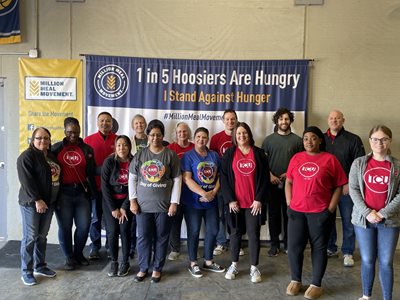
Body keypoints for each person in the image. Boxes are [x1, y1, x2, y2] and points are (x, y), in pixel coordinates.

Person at [285, 126, 347, 300]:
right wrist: (289, 203)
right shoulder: (296, 158)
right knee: (294, 247)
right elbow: (289, 181)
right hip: (297, 212)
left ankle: (316, 284)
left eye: (313, 138)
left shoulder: (330, 159)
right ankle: (295, 280)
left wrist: (330, 209)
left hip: (319, 212)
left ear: (320, 140)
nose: (309, 141)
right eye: (305, 138)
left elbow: (339, 185)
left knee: (318, 248)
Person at [349, 125, 400, 300]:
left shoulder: (397, 166)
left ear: (390, 141)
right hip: (364, 221)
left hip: (389, 222)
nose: (380, 143)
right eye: (376, 139)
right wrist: (368, 212)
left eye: (384, 139)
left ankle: (387, 297)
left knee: (386, 262)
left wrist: (383, 213)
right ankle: (366, 296)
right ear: (370, 141)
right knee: (368, 260)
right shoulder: (359, 163)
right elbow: (353, 189)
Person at [129, 119, 182, 283]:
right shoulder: (140, 155)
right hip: (143, 207)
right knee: (143, 237)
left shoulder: (170, 155)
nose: (155, 138)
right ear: (147, 136)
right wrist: (132, 201)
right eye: (152, 135)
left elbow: (177, 179)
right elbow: (132, 179)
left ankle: (157, 268)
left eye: (158, 135)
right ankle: (144, 268)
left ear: (163, 136)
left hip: (164, 206)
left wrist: (174, 203)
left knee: (162, 237)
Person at [221, 122, 270, 283]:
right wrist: (230, 200)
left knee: (253, 234)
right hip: (235, 204)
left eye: (244, 133)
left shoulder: (259, 153)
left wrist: (259, 199)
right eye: (238, 134)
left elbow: (264, 179)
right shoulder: (229, 153)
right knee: (234, 234)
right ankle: (234, 265)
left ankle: (254, 268)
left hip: (253, 204)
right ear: (235, 136)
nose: (241, 136)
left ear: (249, 134)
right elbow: (224, 178)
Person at [17, 127, 61, 286]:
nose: (43, 141)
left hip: (48, 203)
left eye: (46, 138)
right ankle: (26, 271)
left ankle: (40, 266)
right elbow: (27, 182)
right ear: (32, 140)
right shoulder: (26, 156)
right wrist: (37, 200)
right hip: (31, 204)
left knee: (42, 236)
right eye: (39, 138)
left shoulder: (49, 155)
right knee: (30, 237)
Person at [53, 117, 96, 270]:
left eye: (76, 132)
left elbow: (91, 172)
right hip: (63, 193)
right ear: (64, 131)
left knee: (84, 226)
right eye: (70, 132)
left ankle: (78, 254)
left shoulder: (87, 150)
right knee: (65, 227)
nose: (73, 135)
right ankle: (68, 257)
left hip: (81, 193)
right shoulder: (56, 149)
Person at [182, 127, 225, 278]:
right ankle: (193, 263)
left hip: (211, 201)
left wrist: (213, 193)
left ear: (207, 139)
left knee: (213, 230)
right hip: (193, 202)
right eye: (199, 137)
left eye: (204, 137)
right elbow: (186, 178)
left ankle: (208, 262)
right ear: (194, 139)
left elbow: (220, 176)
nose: (201, 139)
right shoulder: (188, 156)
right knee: (193, 232)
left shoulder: (214, 155)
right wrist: (203, 193)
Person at [324, 110, 365, 267]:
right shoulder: (321, 139)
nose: (334, 121)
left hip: (346, 188)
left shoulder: (353, 139)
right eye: (332, 118)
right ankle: (330, 247)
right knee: (328, 219)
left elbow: (359, 164)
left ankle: (348, 252)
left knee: (348, 220)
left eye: (337, 118)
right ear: (328, 120)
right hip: (326, 189)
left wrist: (349, 183)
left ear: (343, 120)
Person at [261, 108, 303, 256]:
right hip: (272, 184)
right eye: (281, 119)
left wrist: (290, 174)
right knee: (273, 215)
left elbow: (301, 163)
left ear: (290, 120)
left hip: (291, 185)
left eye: (286, 119)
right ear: (276, 121)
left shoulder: (298, 141)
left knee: (289, 214)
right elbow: (263, 163)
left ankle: (288, 244)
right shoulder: (268, 140)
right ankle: (274, 244)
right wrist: (270, 175)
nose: (284, 122)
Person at [210, 109, 244, 256]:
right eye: (227, 119)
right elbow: (210, 161)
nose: (230, 122)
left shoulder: (241, 136)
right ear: (223, 121)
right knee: (220, 213)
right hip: (221, 182)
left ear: (236, 120)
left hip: (239, 182)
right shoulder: (216, 138)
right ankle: (221, 242)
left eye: (233, 119)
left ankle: (236, 242)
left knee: (236, 213)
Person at [84, 111, 117, 259]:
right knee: (96, 218)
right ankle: (95, 246)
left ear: (112, 123)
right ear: (97, 123)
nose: (105, 124)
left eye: (108, 121)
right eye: (102, 121)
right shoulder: (88, 140)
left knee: (111, 218)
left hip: (113, 188)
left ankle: (111, 246)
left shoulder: (118, 140)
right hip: (95, 187)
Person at [102, 135, 134, 277]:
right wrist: (114, 209)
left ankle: (125, 262)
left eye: (125, 145)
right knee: (113, 231)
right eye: (119, 145)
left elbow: (135, 186)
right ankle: (114, 261)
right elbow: (105, 187)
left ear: (129, 147)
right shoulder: (109, 162)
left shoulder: (134, 161)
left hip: (127, 202)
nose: (122, 148)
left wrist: (124, 207)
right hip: (110, 203)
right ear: (115, 147)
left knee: (125, 231)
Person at [167, 122, 194, 261]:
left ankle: (192, 248)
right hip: (174, 194)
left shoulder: (195, 147)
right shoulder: (170, 148)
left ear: (188, 133)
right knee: (175, 223)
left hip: (192, 194)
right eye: (179, 132)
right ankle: (175, 249)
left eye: (184, 131)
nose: (182, 134)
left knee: (192, 223)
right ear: (175, 134)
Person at [129, 114, 148, 259]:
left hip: (149, 184)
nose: (139, 125)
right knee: (133, 220)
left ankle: (148, 248)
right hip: (134, 181)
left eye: (141, 123)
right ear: (133, 126)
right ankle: (131, 248)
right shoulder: (128, 142)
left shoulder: (152, 139)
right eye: (136, 123)